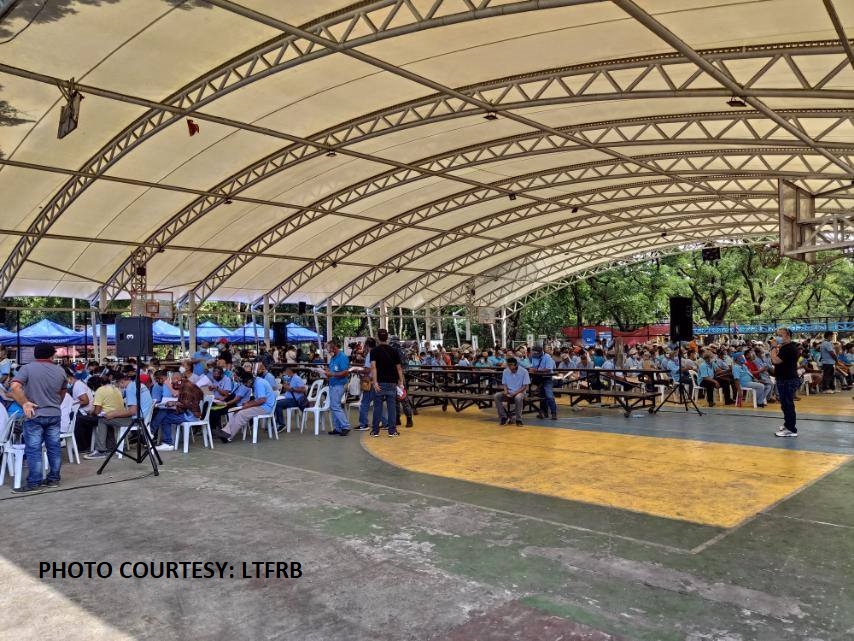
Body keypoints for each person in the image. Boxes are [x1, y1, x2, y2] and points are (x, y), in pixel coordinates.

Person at [8, 344, 66, 492]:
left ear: (35, 354)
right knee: (54, 448)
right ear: (52, 354)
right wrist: (54, 403)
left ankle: (34, 482)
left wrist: (25, 403)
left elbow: (14, 387)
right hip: (54, 414)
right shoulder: (60, 370)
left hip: (34, 414)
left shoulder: (27, 368)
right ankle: (53, 479)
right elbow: (63, 392)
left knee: (34, 449)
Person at [215, 370, 276, 443]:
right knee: (237, 411)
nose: (246, 386)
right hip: (262, 405)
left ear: (249, 381)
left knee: (242, 413)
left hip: (266, 407)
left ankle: (228, 436)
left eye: (245, 384)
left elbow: (262, 400)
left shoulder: (259, 383)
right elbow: (258, 399)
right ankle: (225, 431)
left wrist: (248, 404)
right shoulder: (256, 382)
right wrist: (248, 403)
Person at [149, 376, 203, 450]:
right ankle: (151, 432)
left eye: (172, 382)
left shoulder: (186, 387)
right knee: (165, 412)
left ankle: (167, 443)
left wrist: (174, 403)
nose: (172, 385)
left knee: (165, 418)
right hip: (191, 412)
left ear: (177, 379)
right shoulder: (186, 384)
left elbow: (185, 404)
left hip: (191, 415)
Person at [370, 329, 404, 438]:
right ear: (387, 337)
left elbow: (373, 367)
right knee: (392, 408)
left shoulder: (374, 351)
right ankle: (392, 431)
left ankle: (375, 431)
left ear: (377, 338)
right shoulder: (394, 351)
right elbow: (399, 368)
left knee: (377, 407)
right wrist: (401, 382)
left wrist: (375, 382)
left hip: (379, 382)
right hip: (392, 383)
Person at [771, 327, 800, 437]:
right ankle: (788, 424)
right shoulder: (786, 347)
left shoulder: (788, 348)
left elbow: (775, 360)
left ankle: (791, 429)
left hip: (787, 379)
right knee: (785, 404)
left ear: (787, 335)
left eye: (780, 335)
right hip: (784, 378)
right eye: (777, 335)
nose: (777, 338)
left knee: (788, 404)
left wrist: (773, 347)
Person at [494, 357, 529, 426]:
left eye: (511, 365)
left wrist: (514, 393)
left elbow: (525, 386)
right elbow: (504, 384)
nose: (509, 366)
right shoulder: (505, 371)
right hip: (509, 392)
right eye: (508, 364)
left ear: (516, 365)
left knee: (518, 398)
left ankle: (518, 419)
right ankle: (503, 417)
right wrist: (506, 391)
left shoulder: (524, 371)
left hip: (520, 392)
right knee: (496, 396)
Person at [530, 345, 557, 420]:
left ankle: (553, 413)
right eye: (534, 353)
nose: (534, 355)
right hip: (538, 378)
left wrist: (536, 370)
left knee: (549, 395)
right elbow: (533, 367)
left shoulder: (547, 357)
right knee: (542, 396)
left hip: (547, 378)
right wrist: (532, 369)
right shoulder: (534, 356)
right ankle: (543, 413)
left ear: (541, 352)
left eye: (536, 353)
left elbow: (548, 369)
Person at [356, 337, 377, 431]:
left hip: (370, 381)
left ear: (367, 345)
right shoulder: (378, 352)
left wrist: (358, 370)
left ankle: (363, 423)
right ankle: (386, 422)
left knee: (364, 403)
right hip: (377, 381)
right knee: (377, 403)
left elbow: (369, 369)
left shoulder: (370, 354)